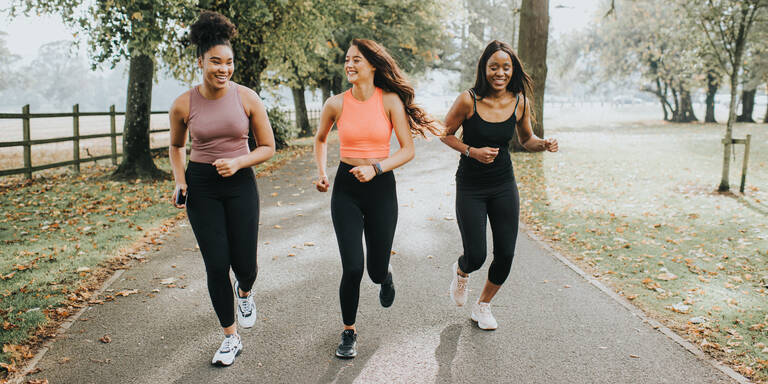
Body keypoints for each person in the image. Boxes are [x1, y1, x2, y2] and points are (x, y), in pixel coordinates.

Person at [314, 38, 440, 358]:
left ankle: (385, 275)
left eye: (356, 60)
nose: (349, 65)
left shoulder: (390, 101)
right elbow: (320, 139)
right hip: (346, 189)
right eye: (347, 59)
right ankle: (348, 332)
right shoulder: (336, 103)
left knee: (374, 270)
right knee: (353, 267)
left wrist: (377, 168)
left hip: (381, 187)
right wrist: (322, 173)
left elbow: (408, 150)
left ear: (372, 64)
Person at [168, 11, 275, 366]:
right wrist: (181, 180)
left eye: (228, 62)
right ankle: (230, 337)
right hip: (202, 187)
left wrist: (239, 162)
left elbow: (268, 147)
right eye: (216, 62)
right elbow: (176, 146)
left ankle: (244, 291)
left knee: (245, 263)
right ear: (201, 61)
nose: (223, 69)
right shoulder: (184, 103)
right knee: (216, 264)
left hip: (240, 183)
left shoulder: (247, 98)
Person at [440, 40, 558, 330]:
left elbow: (526, 139)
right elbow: (444, 133)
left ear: (513, 69)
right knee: (477, 255)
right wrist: (472, 151)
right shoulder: (468, 100)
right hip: (471, 186)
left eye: (506, 67)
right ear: (485, 69)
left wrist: (542, 144)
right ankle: (462, 270)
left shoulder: (520, 102)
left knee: (505, 253)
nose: (500, 72)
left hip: (504, 184)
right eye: (494, 66)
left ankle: (483, 307)